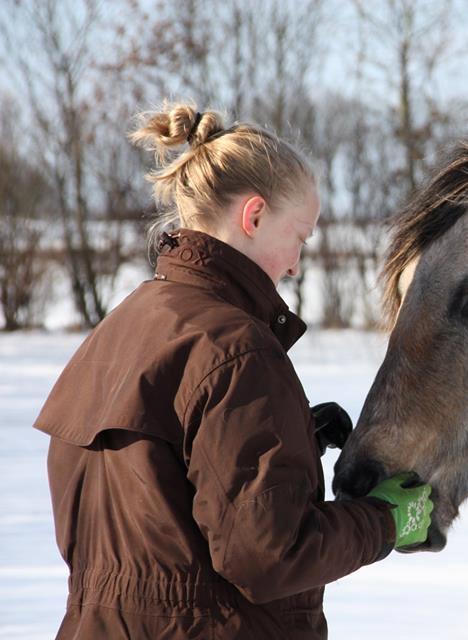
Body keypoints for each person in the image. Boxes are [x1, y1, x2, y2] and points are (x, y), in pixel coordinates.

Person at [33, 102, 433, 639]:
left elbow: (153, 494)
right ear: (254, 216)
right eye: (300, 238)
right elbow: (269, 556)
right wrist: (383, 521)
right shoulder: (237, 350)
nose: (296, 264)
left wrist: (291, 439)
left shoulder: (119, 330)